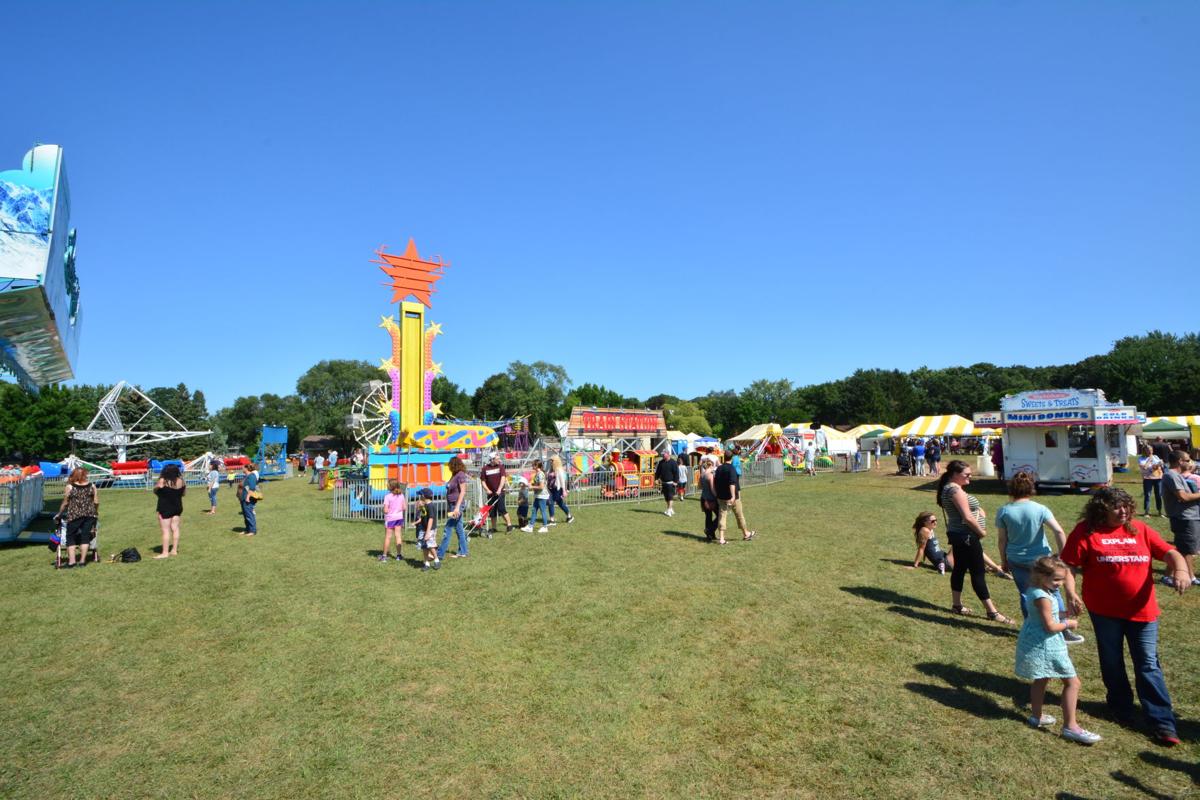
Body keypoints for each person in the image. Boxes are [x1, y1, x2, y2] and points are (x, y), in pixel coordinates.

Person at [1061, 487, 1189, 746]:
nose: (1124, 512)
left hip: (1143, 611)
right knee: (1112, 660)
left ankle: (1162, 721)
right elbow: (1068, 566)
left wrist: (1182, 569)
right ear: (1102, 509)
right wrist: (1072, 593)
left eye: (1127, 507)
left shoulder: (1139, 529)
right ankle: (1121, 707)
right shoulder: (1086, 530)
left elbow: (1171, 552)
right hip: (1104, 611)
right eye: (1117, 507)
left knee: (1148, 664)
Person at [1016, 556, 1101, 745]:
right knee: (1073, 683)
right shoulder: (1043, 596)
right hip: (1047, 645)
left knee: (1042, 678)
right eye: (1056, 579)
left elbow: (1048, 615)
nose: (1060, 584)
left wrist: (1067, 613)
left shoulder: (1037, 591)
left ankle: (1036, 717)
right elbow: (1050, 626)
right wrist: (1068, 623)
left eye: (1062, 579)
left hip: (1038, 642)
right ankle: (1071, 727)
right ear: (1040, 576)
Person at [996, 471, 1083, 644]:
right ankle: (1062, 631)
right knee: (1053, 592)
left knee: (1026, 594)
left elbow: (1001, 540)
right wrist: (1063, 557)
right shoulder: (1040, 508)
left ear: (1011, 489)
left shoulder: (1004, 511)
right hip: (1041, 561)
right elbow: (1058, 531)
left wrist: (1003, 560)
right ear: (1031, 488)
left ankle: (1033, 628)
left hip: (1016, 559)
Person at [937, 460, 1013, 624]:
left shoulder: (950, 488)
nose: (970, 476)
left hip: (959, 535)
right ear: (955, 474)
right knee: (978, 573)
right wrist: (981, 531)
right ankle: (992, 612)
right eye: (967, 474)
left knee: (959, 569)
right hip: (967, 537)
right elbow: (967, 516)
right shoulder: (954, 490)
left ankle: (957, 605)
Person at [1161, 450, 1200, 586]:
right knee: (1187, 549)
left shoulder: (1176, 475)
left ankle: (1167, 576)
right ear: (1180, 461)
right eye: (1188, 460)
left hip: (1188, 516)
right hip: (1183, 517)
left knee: (1183, 547)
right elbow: (1183, 497)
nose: (1190, 463)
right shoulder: (1171, 475)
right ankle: (1190, 576)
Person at [57, 466, 98, 568]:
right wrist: (95, 512)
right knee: (85, 536)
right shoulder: (92, 486)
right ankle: (82, 561)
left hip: (75, 515)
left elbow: (65, 503)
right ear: (85, 475)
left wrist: (59, 513)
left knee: (70, 537)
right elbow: (96, 502)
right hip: (90, 515)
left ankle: (72, 562)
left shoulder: (70, 487)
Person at [714, 451, 755, 543]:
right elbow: (732, 483)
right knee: (739, 515)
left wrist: (717, 494)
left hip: (721, 497)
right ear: (731, 458)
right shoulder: (732, 469)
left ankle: (721, 538)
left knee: (722, 516)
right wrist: (733, 496)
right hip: (732, 497)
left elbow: (715, 482)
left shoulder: (719, 468)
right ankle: (746, 534)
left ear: (723, 457)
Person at [438, 456, 470, 559]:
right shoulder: (454, 475)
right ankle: (463, 551)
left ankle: (439, 554)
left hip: (457, 505)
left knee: (448, 529)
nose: (449, 467)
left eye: (450, 465)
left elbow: (463, 492)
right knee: (459, 529)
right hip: (452, 505)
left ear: (454, 465)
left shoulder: (460, 475)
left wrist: (457, 508)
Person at [153, 464, 186, 558]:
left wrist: (158, 487)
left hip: (165, 507)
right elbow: (183, 493)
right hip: (177, 507)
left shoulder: (163, 480)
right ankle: (174, 550)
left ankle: (165, 553)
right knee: (175, 528)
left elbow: (156, 490)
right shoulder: (182, 481)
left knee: (166, 530)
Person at [479, 453, 513, 533]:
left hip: (500, 492)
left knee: (501, 509)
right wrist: (487, 490)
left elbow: (503, 478)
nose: (499, 460)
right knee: (492, 511)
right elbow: (483, 481)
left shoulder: (500, 467)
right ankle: (494, 527)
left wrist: (499, 489)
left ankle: (509, 525)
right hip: (491, 494)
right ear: (492, 459)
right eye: (497, 459)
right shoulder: (485, 468)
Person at [380, 478, 406, 562]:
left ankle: (384, 556)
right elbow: (404, 507)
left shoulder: (387, 497)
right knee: (398, 536)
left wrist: (383, 510)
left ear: (391, 486)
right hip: (399, 518)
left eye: (388, 484)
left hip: (390, 518)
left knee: (388, 537)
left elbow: (386, 510)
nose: (387, 485)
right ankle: (399, 555)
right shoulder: (401, 495)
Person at [414, 488, 440, 571]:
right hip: (424, 529)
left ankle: (436, 560)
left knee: (430, 545)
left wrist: (428, 532)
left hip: (430, 529)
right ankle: (426, 563)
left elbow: (431, 519)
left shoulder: (431, 506)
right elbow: (423, 517)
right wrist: (420, 508)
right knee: (424, 546)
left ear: (423, 496)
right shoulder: (424, 505)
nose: (419, 497)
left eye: (420, 495)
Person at [522, 460, 551, 533]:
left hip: (542, 495)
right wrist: (529, 485)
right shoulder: (538, 473)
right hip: (538, 495)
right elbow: (537, 484)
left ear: (536, 466)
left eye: (533, 465)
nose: (532, 466)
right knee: (534, 510)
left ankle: (545, 527)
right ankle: (530, 526)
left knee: (543, 511)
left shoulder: (540, 474)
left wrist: (532, 487)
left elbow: (541, 487)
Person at [1138, 445, 1165, 517]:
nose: (1150, 451)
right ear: (1144, 451)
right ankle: (1146, 512)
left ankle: (1160, 512)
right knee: (1147, 495)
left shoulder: (1156, 457)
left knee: (1159, 495)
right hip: (1148, 479)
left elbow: (1161, 466)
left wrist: (1161, 463)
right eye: (1148, 450)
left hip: (1158, 478)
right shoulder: (1141, 458)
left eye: (1151, 449)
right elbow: (1144, 467)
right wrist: (1149, 460)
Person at [547, 454, 574, 525]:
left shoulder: (559, 470)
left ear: (555, 461)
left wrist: (564, 491)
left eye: (552, 460)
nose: (551, 462)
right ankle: (552, 520)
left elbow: (562, 480)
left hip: (557, 489)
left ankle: (569, 516)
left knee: (560, 504)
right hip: (551, 489)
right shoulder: (551, 469)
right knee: (551, 503)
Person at [699, 455, 719, 542]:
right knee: (720, 515)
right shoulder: (710, 475)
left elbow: (699, 487)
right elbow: (712, 489)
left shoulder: (702, 475)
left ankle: (710, 536)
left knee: (708, 516)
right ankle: (710, 530)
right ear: (711, 465)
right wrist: (717, 497)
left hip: (703, 498)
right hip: (711, 499)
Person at [654, 451, 680, 517]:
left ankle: (669, 510)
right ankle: (670, 509)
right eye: (662, 455)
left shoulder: (673, 462)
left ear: (668, 454)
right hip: (664, 483)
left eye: (664, 454)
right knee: (666, 497)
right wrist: (656, 479)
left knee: (670, 497)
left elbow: (676, 473)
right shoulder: (661, 462)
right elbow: (658, 472)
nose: (662, 456)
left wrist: (676, 482)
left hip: (671, 483)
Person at [238, 462, 259, 535]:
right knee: (245, 514)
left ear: (247, 468)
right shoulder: (246, 476)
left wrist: (247, 497)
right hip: (243, 498)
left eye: (243, 467)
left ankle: (252, 531)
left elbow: (252, 487)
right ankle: (247, 529)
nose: (242, 468)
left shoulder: (251, 476)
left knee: (249, 514)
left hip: (248, 498)